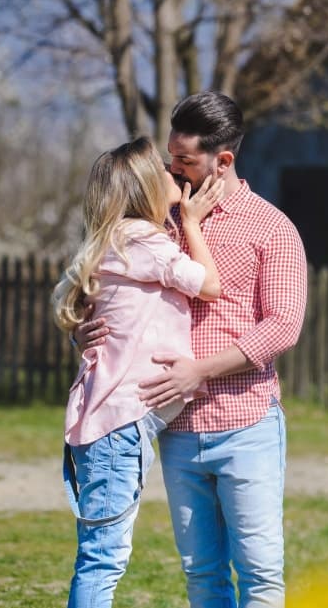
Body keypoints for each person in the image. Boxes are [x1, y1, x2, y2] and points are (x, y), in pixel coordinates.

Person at [76, 91, 308, 608]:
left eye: (184, 160)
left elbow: (283, 327)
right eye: (169, 156)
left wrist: (197, 372)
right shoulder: (157, 222)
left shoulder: (272, 227)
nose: (171, 167)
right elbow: (110, 295)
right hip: (175, 429)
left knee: (261, 575)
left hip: (246, 425)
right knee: (202, 576)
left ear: (222, 160)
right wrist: (83, 332)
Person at [54, 136, 225, 608]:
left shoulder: (114, 241)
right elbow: (208, 285)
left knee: (100, 554)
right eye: (164, 171)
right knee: (103, 558)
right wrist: (191, 223)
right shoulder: (143, 241)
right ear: (146, 186)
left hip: (105, 424)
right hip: (118, 425)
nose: (175, 174)